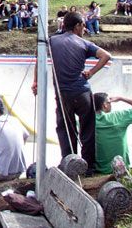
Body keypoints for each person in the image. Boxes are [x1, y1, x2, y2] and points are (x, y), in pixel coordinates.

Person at [33, 11, 112, 175]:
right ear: (77, 25)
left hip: (64, 95)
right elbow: (106, 55)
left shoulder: (52, 41)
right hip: (82, 92)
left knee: (65, 130)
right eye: (83, 25)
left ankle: (70, 164)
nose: (84, 29)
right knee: (88, 130)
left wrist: (36, 81)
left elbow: (38, 59)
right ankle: (89, 167)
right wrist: (91, 72)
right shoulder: (84, 43)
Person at [94, 92, 132, 174]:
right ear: (105, 105)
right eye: (109, 103)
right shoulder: (117, 117)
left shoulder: (87, 120)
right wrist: (121, 98)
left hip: (98, 170)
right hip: (120, 170)